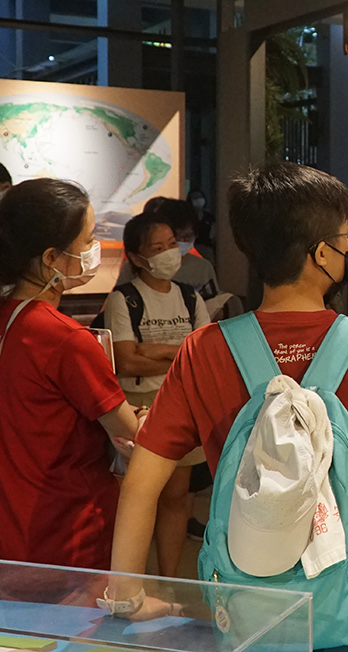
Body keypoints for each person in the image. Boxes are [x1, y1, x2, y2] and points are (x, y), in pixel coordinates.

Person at [110, 162, 348, 652]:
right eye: (346, 238)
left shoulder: (204, 350)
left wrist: (126, 594)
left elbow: (142, 483)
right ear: (321, 254)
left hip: (255, 601)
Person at [0, 178, 141, 569]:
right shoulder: (65, 339)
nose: (93, 252)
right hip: (71, 534)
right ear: (51, 258)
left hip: (11, 528)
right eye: (87, 242)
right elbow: (129, 432)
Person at [103, 213, 208, 576]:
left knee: (177, 499)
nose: (168, 253)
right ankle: (129, 580)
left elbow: (204, 357)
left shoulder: (190, 297)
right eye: (157, 248)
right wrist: (176, 350)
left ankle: (170, 578)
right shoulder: (125, 299)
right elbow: (126, 361)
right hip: (137, 410)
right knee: (136, 496)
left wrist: (153, 350)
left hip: (182, 407)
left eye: (171, 244)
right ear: (136, 256)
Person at [121, 197, 219, 297]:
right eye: (175, 238)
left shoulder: (202, 268)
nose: (182, 241)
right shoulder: (137, 265)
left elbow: (215, 304)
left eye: (188, 236)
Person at [186, 189, 215, 254]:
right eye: (195, 197)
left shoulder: (209, 217)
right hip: (191, 249)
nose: (198, 199)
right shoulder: (188, 217)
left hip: (207, 249)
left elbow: (214, 235)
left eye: (200, 197)